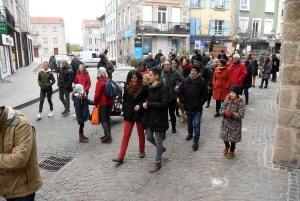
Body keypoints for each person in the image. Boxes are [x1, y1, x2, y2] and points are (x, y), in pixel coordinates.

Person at [0, 106, 43, 200]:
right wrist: (8, 157)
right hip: (5, 188)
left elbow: (19, 159)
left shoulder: (21, 124)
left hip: (24, 188)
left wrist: (13, 157)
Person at [112, 70, 149, 163]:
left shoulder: (144, 87)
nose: (133, 80)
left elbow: (147, 99)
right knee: (126, 135)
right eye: (132, 78)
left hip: (139, 112)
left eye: (135, 78)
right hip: (129, 113)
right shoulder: (127, 86)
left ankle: (141, 150)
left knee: (141, 133)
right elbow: (124, 98)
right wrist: (124, 107)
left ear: (138, 78)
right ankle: (121, 156)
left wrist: (140, 105)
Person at [142, 67, 169, 173]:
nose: (149, 76)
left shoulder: (164, 86)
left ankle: (158, 161)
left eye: (151, 75)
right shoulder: (150, 85)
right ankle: (161, 148)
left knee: (158, 140)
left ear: (157, 77)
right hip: (150, 116)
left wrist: (149, 104)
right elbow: (148, 98)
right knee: (148, 136)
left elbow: (164, 104)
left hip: (160, 118)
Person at [178, 65, 208, 150]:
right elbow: (180, 92)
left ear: (197, 72)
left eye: (195, 70)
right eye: (192, 70)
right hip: (188, 106)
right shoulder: (185, 81)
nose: (193, 72)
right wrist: (183, 100)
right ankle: (190, 133)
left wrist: (200, 102)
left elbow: (205, 93)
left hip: (197, 107)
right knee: (189, 122)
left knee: (196, 124)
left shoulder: (202, 81)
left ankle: (195, 141)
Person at [219, 85, 245, 159]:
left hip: (235, 124)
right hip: (226, 123)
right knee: (224, 136)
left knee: (233, 138)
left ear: (236, 94)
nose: (231, 95)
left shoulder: (240, 103)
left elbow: (241, 115)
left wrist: (232, 114)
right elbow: (220, 110)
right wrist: (224, 112)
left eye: (233, 93)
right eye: (230, 93)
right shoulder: (226, 101)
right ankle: (227, 146)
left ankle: (232, 150)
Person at [161, 59, 183, 134]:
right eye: (165, 65)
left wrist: (178, 86)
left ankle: (173, 127)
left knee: (172, 113)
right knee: (164, 115)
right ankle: (163, 131)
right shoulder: (161, 73)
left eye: (168, 65)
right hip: (163, 98)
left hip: (172, 97)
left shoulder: (175, 72)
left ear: (171, 65)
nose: (166, 66)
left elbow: (182, 80)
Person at [93, 67, 115, 143]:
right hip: (110, 102)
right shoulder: (108, 80)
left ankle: (108, 136)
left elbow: (97, 95)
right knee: (107, 118)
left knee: (103, 119)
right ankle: (107, 134)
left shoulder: (100, 82)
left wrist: (95, 103)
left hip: (103, 103)